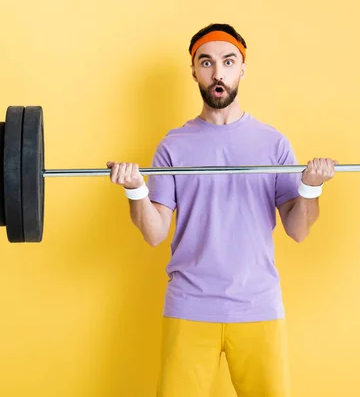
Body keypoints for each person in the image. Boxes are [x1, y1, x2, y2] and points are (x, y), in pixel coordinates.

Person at [107, 23, 337, 397]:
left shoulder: (273, 143)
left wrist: (311, 187)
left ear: (242, 69)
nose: (218, 73)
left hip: (258, 306)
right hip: (189, 305)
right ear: (194, 71)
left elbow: (298, 229)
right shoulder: (173, 147)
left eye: (228, 62)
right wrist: (136, 191)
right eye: (207, 63)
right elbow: (154, 233)